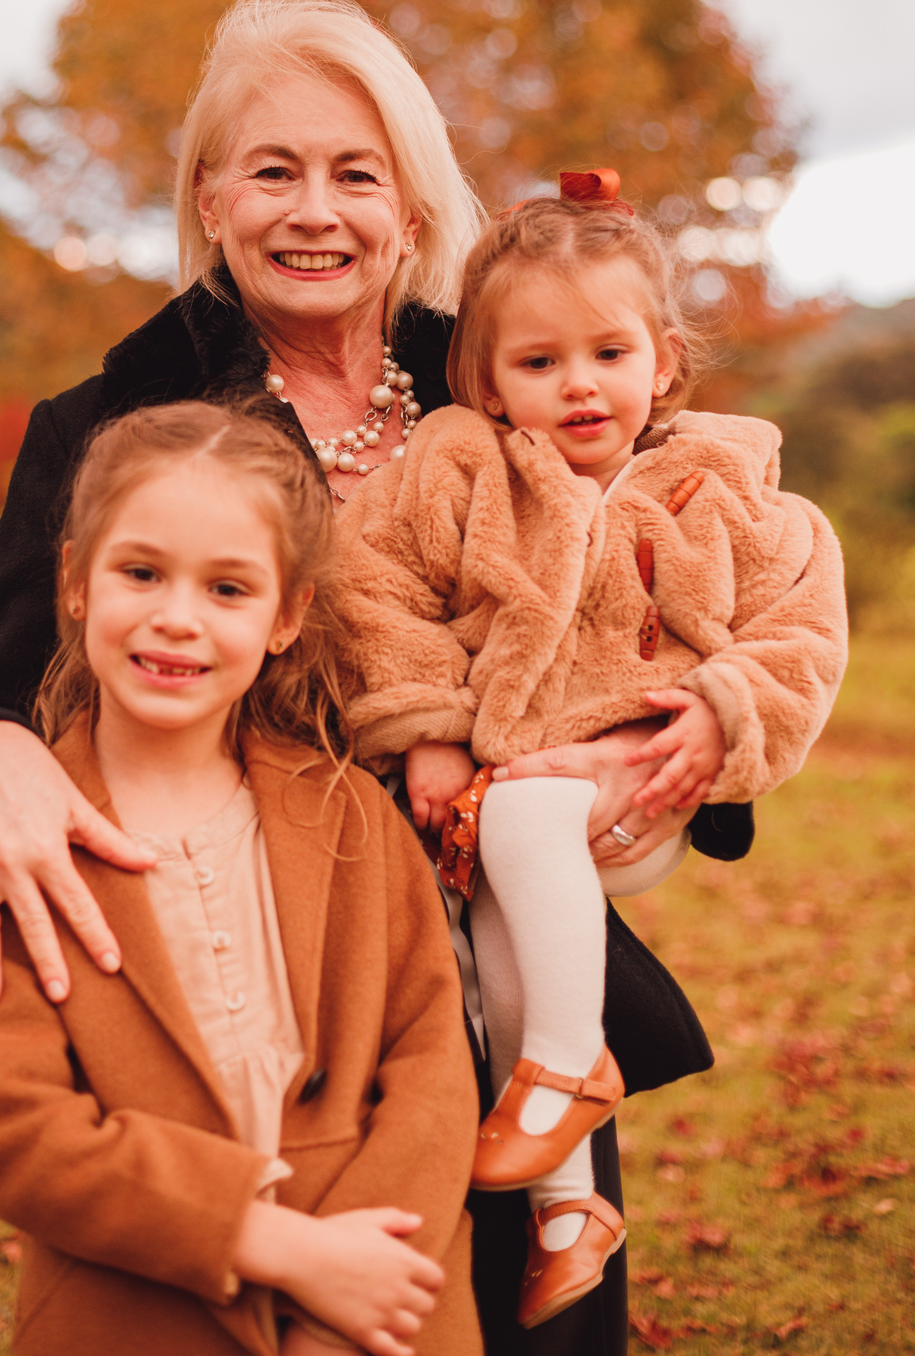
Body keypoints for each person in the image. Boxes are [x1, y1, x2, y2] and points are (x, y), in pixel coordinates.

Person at [0, 0, 754, 1354]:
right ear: (211, 197)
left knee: (531, 1318)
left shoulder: (505, 367)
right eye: (273, 172)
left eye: (357, 174)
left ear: (409, 207)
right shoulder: (118, 417)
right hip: (274, 973)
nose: (315, 211)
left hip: (512, 956)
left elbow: (683, 589)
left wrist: (700, 731)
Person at [325, 171, 849, 1329]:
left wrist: (721, 708)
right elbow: (374, 588)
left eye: (608, 354)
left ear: (661, 360)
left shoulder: (718, 487)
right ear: (485, 379)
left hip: (646, 776)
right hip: (500, 777)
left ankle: (568, 1070)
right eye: (539, 363)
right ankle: (572, 1208)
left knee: (516, 827)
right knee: (495, 899)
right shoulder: (462, 472)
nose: (579, 386)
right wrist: (424, 728)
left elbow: (803, 624)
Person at [0, 401, 482, 1356]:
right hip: (134, 1312)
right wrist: (274, 1247)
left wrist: (343, 1295)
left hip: (378, 1304)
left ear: (287, 615)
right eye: (141, 573)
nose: (176, 618)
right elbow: (16, 1132)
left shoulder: (354, 818)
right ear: (75, 582)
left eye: (229, 589)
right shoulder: (9, 845)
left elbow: (432, 1064)